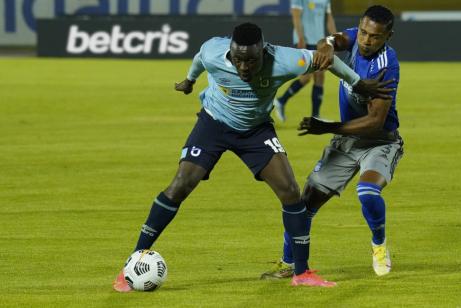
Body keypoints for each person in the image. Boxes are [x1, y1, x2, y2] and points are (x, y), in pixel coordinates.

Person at [112, 22, 393, 292]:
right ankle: (131, 265)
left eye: (251, 61)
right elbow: (200, 58)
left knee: (290, 191)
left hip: (256, 131)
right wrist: (189, 80)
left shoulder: (285, 59)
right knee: (181, 184)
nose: (244, 67)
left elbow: (325, 60)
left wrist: (357, 83)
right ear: (230, 52)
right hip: (213, 124)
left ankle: (302, 272)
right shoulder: (213, 50)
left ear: (264, 51)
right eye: (238, 60)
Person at [261, 5, 403, 279]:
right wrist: (325, 45)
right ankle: (289, 262)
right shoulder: (353, 39)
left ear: (388, 36)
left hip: (379, 142)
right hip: (346, 142)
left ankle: (379, 244)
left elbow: (375, 121)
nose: (365, 40)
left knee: (367, 192)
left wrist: (327, 127)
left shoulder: (387, 65)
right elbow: (330, 40)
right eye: (363, 32)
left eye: (374, 36)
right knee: (305, 204)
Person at [273, 0, 337, 121]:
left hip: (320, 42)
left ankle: (315, 116)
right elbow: (296, 16)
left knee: (320, 77)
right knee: (306, 77)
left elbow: (329, 19)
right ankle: (282, 101)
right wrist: (301, 38)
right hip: (305, 41)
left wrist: (335, 39)